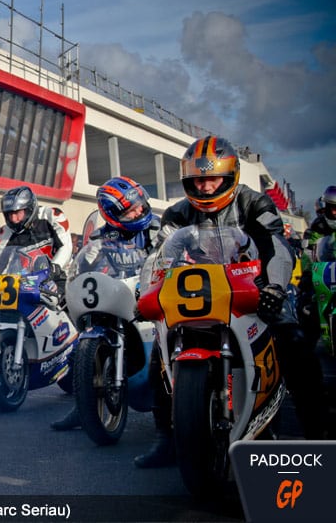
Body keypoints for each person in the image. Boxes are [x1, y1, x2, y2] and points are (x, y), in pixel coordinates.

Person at [134, 136, 328, 469]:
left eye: (212, 178)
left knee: (294, 341)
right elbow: (160, 256)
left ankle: (317, 432)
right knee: (159, 357)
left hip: (254, 286)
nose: (206, 186)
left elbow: (277, 246)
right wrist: (146, 292)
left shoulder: (256, 204)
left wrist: (276, 287)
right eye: (198, 179)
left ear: (230, 176)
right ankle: (166, 437)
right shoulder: (177, 213)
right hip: (199, 294)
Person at [51, 176, 158, 430]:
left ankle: (173, 404)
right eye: (131, 210)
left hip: (151, 295)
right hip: (116, 294)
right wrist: (71, 281)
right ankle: (84, 406)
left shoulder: (157, 229)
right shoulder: (101, 236)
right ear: (112, 215)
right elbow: (87, 263)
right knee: (83, 344)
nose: (139, 211)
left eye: (140, 204)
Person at [0, 185, 74, 293]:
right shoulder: (8, 231)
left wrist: (52, 269)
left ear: (29, 209)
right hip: (28, 283)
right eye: (9, 214)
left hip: (63, 275)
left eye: (17, 213)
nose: (13, 219)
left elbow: (66, 247)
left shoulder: (52, 215)